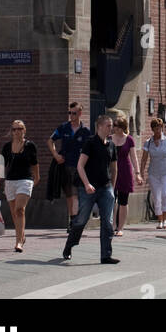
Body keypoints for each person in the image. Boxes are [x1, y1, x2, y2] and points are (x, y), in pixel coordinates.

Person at [62, 114, 119, 264]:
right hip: (88, 188)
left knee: (107, 221)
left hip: (106, 188)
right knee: (81, 219)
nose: (110, 128)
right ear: (99, 126)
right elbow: (80, 166)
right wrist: (87, 184)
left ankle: (106, 255)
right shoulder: (90, 143)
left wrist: (112, 187)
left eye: (111, 125)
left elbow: (114, 168)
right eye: (108, 125)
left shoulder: (111, 145)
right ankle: (69, 246)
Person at [48, 101, 90, 228]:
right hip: (66, 165)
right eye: (69, 113)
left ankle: (75, 220)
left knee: (76, 193)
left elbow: (90, 148)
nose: (71, 115)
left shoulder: (85, 131)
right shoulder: (64, 127)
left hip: (80, 167)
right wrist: (56, 155)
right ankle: (72, 219)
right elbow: (50, 140)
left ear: (80, 114)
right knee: (69, 194)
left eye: (74, 113)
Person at [0, 120, 39, 252]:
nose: (17, 131)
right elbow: (1, 165)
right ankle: (21, 235)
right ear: (11, 131)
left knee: (19, 209)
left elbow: (34, 163)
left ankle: (18, 242)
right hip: (10, 181)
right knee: (13, 212)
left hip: (25, 180)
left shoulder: (30, 146)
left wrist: (37, 177)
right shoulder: (6, 147)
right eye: (14, 129)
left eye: (20, 129)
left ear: (24, 130)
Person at [141, 118, 166, 230]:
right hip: (154, 173)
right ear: (152, 129)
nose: (158, 130)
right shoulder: (148, 142)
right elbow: (144, 159)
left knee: (165, 195)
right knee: (156, 197)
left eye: (160, 128)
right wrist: (141, 172)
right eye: (156, 128)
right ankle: (160, 220)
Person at [110, 113, 140, 236]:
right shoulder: (109, 138)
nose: (114, 128)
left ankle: (120, 227)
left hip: (125, 171)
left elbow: (134, 158)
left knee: (123, 200)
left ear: (122, 127)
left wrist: (137, 173)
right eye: (114, 126)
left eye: (116, 126)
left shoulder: (129, 139)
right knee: (112, 199)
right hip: (111, 171)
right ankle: (112, 225)